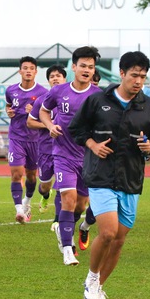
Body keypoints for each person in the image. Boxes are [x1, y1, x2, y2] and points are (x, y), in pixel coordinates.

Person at [69, 51, 150, 299]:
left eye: (143, 76)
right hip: (101, 176)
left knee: (119, 239)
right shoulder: (97, 101)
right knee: (109, 232)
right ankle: (91, 278)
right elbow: (77, 129)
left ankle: (99, 286)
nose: (138, 81)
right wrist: (93, 145)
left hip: (131, 179)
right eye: (134, 75)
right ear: (122, 73)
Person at [39, 46, 101, 266]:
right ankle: (67, 249)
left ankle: (71, 230)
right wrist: (49, 125)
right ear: (73, 67)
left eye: (90, 67)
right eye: (82, 66)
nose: (86, 70)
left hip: (87, 157)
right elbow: (43, 111)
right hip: (63, 155)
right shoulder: (59, 91)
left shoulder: (98, 96)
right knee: (68, 199)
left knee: (81, 205)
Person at [5, 56, 48, 223]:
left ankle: (27, 202)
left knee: (31, 176)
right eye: (25, 68)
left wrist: (35, 111)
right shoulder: (11, 90)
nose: (28, 71)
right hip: (16, 137)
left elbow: (48, 115)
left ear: (36, 72)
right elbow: (9, 106)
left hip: (36, 140)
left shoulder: (44, 93)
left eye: (31, 68)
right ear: (20, 71)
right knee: (17, 174)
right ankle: (19, 210)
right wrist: (9, 111)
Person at [27, 65, 66, 214]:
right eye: (52, 76)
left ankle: (58, 220)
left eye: (58, 75)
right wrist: (49, 126)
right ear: (48, 80)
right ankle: (45, 196)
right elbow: (30, 122)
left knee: (63, 186)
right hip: (45, 149)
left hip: (65, 150)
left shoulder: (72, 99)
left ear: (64, 78)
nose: (55, 78)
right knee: (44, 186)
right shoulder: (42, 101)